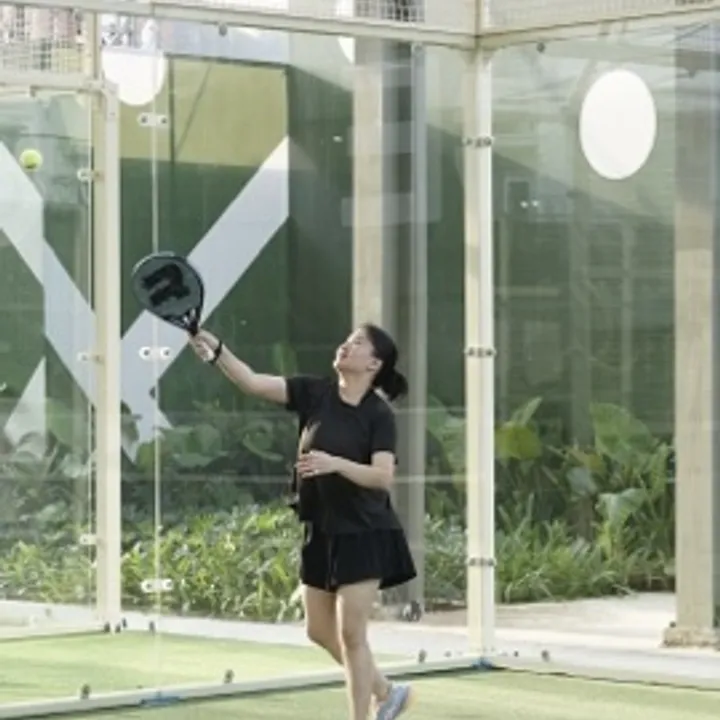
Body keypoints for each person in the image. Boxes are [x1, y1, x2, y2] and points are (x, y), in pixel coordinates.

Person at [188, 323, 416, 720]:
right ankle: (386, 691)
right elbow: (253, 382)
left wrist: (335, 464)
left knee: (351, 635)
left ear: (374, 364)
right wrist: (217, 350)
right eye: (347, 340)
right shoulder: (315, 393)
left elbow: (382, 477)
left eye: (358, 344)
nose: (345, 346)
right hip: (321, 529)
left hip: (365, 533)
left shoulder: (378, 415)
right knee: (318, 631)